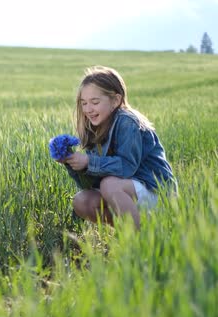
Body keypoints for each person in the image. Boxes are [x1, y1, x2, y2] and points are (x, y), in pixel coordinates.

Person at [60, 66, 176, 229]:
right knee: (82, 200)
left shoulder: (127, 122)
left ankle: (136, 241)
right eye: (84, 103)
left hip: (157, 193)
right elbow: (91, 185)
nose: (88, 109)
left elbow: (126, 167)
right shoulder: (95, 128)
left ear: (115, 100)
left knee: (109, 185)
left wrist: (88, 161)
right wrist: (72, 163)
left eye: (95, 102)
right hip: (130, 193)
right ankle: (140, 229)